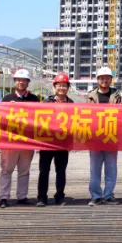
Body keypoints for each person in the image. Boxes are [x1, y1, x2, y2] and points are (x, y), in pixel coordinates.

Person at [0, 68, 38, 207]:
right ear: (15, 81)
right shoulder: (6, 99)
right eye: (18, 80)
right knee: (6, 169)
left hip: (27, 141)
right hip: (10, 141)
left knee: (24, 170)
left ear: (28, 82)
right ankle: (4, 197)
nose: (21, 82)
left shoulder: (34, 99)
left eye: (24, 80)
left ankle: (22, 196)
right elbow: (0, 118)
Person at [84, 66, 122, 205]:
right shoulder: (90, 96)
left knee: (111, 168)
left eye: (107, 78)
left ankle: (108, 195)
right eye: (102, 78)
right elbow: (85, 116)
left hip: (111, 137)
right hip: (95, 138)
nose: (104, 80)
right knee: (95, 169)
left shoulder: (117, 96)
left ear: (111, 80)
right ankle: (95, 196)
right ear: (97, 80)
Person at [38, 73, 73, 206]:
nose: (61, 88)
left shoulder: (72, 104)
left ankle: (60, 195)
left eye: (64, 86)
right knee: (44, 170)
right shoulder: (46, 102)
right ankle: (42, 197)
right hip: (47, 142)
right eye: (59, 85)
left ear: (68, 88)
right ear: (54, 87)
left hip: (63, 143)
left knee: (61, 171)